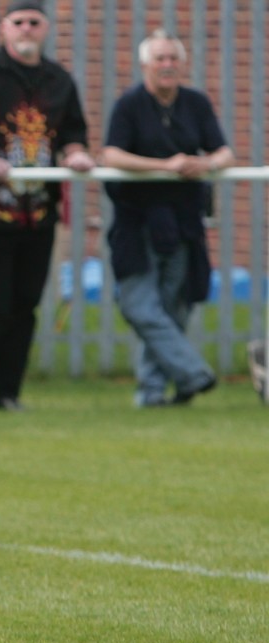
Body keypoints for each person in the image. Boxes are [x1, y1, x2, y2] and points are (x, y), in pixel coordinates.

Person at [0, 0, 95, 411]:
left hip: (39, 212)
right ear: (4, 28)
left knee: (26, 305)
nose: (27, 29)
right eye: (19, 22)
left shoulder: (59, 80)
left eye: (35, 22)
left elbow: (73, 132)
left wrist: (76, 155)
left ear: (46, 29)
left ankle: (8, 392)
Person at [102, 29, 233, 407]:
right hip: (136, 220)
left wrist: (204, 163)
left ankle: (153, 392)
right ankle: (194, 372)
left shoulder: (195, 103)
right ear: (145, 65)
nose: (167, 65)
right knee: (138, 304)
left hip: (183, 221)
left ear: (182, 64)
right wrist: (165, 166)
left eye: (173, 58)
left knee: (173, 306)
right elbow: (112, 155)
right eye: (160, 59)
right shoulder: (129, 105)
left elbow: (225, 153)